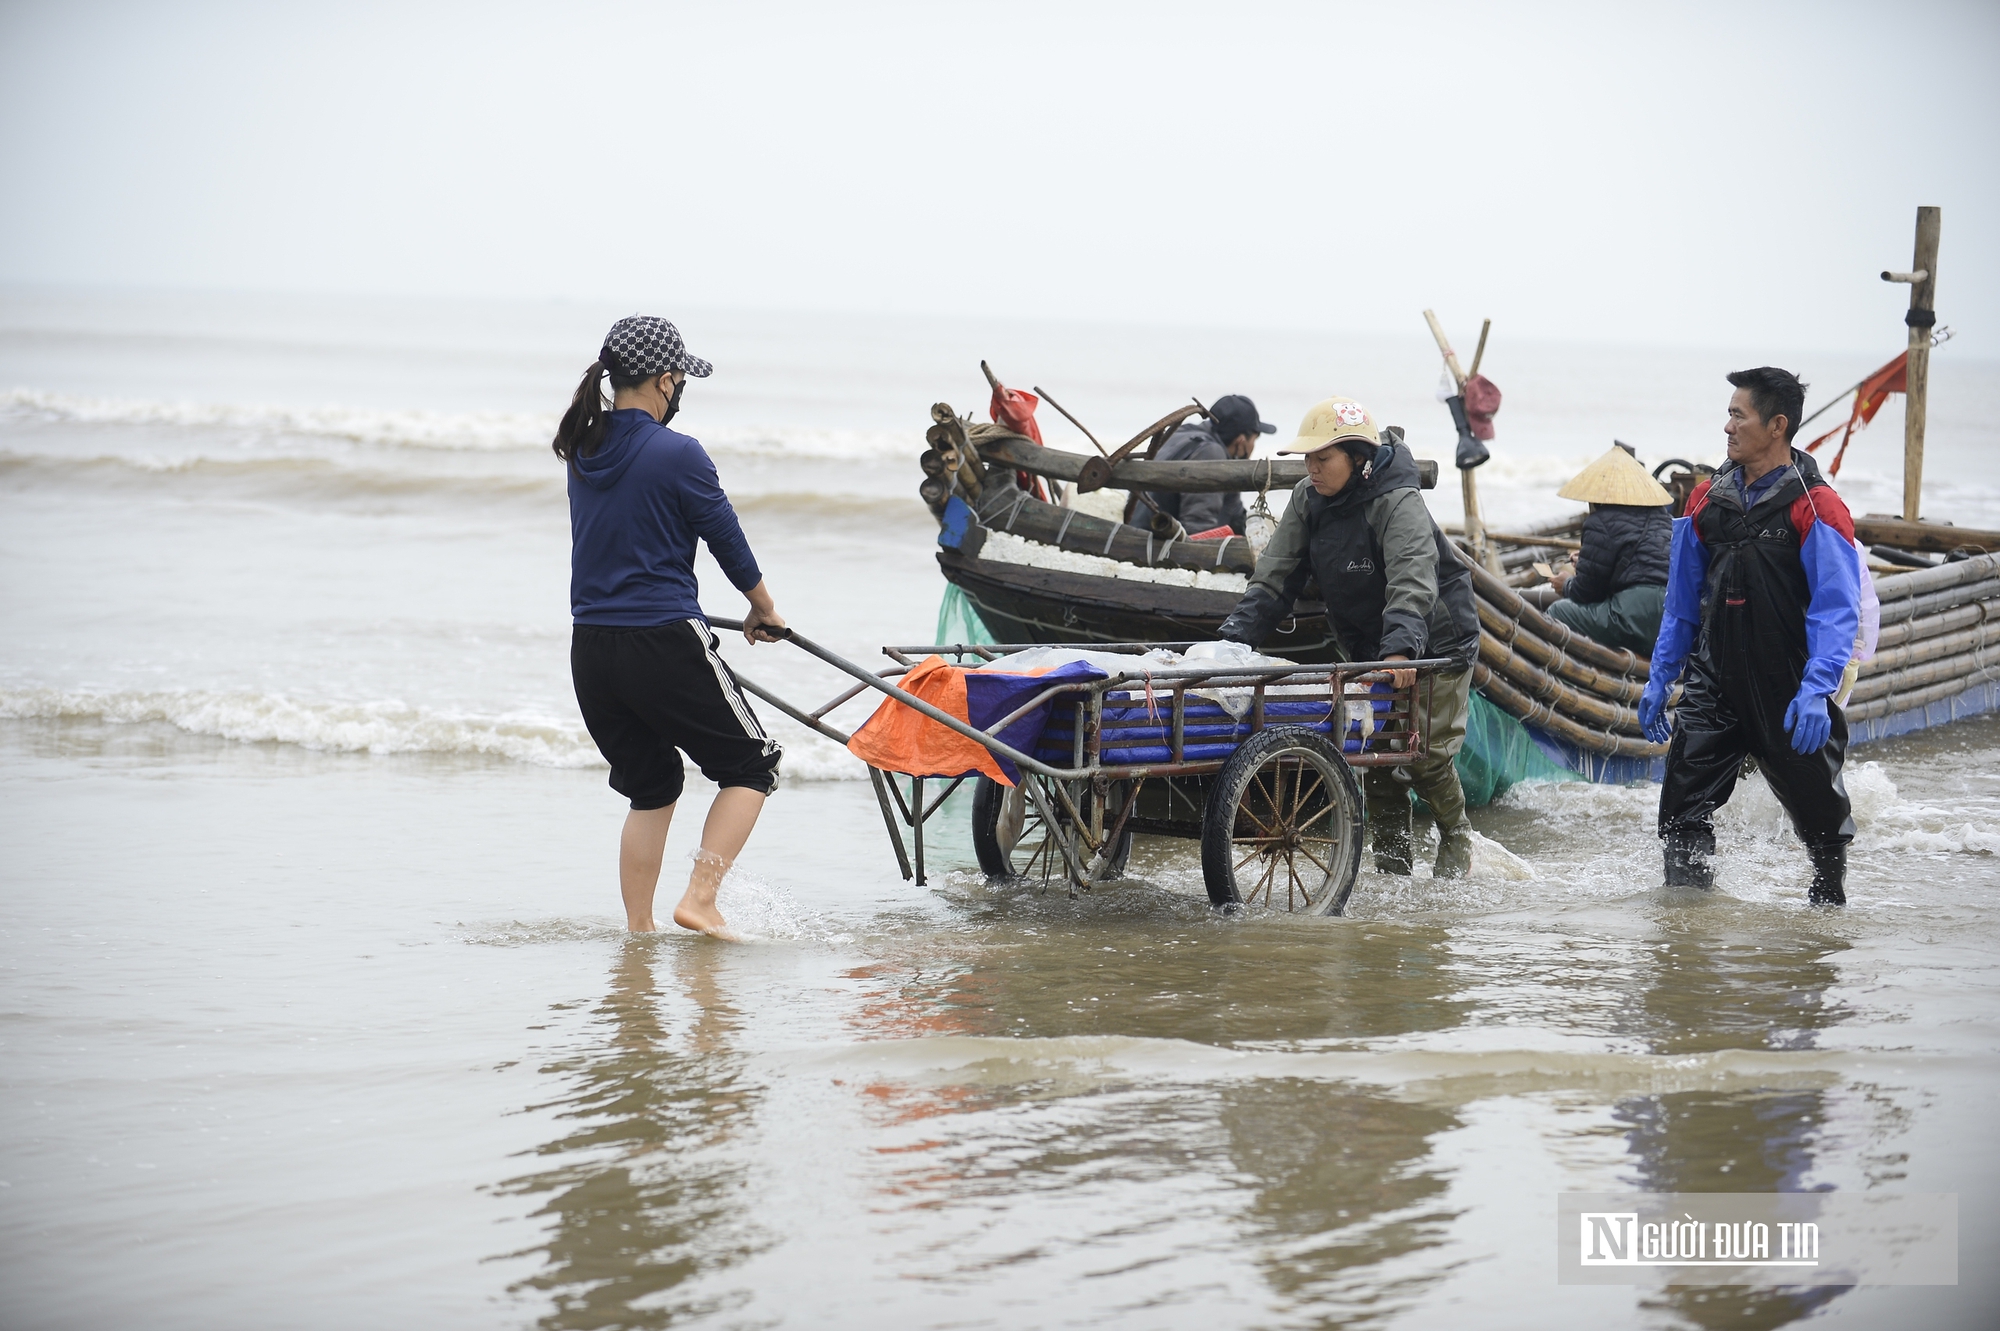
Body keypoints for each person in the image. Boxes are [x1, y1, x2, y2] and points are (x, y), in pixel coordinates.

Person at [554, 315, 788, 937]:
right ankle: (700, 900)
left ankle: (640, 931)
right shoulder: (679, 452)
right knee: (751, 765)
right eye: (681, 379)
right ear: (664, 381)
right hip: (662, 639)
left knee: (652, 787)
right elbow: (726, 539)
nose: (681, 391)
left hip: (592, 650)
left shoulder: (585, 448)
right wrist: (763, 609)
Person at [1217, 397, 1483, 878]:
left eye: (1323, 459)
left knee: (1424, 756)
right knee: (1376, 757)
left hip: (1436, 642)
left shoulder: (1396, 500)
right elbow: (1274, 579)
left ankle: (1456, 837)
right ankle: (1393, 868)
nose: (1312, 469)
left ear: (1358, 458)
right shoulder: (1306, 499)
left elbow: (1412, 581)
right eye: (1307, 459)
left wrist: (1401, 647)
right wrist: (1231, 643)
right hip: (1367, 643)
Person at [1638, 367, 1860, 905]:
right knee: (1682, 809)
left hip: (1788, 683)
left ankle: (1825, 917)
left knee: (1821, 817)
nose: (1727, 427)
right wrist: (1660, 677)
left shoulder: (1817, 507)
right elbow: (1681, 604)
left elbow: (1836, 608)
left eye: (1739, 415)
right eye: (1729, 414)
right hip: (1713, 680)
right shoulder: (1704, 502)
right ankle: (1690, 933)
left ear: (1777, 425)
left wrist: (1816, 690)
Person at [1544, 445, 1673, 653]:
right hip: (1672, 615)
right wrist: (1586, 562)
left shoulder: (1599, 521)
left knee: (1559, 611)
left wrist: (1565, 584)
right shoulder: (1664, 519)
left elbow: (1585, 592)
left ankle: (1565, 677)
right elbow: (1642, 567)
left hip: (1635, 615)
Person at [1141, 394, 1276, 537]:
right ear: (1241, 441)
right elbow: (1198, 526)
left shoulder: (1185, 433)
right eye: (1255, 439)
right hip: (1155, 546)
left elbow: (1233, 510)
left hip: (1140, 530)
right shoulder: (1210, 453)